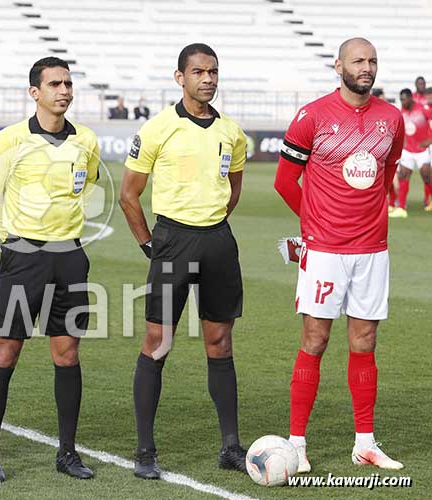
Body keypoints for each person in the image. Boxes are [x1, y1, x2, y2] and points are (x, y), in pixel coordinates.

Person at [274, 37, 405, 473]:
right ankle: (297, 444)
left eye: (372, 60)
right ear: (338, 66)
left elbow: (386, 174)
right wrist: (314, 225)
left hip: (372, 250)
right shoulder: (312, 116)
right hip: (325, 250)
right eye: (358, 60)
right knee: (315, 340)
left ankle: (365, 443)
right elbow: (284, 181)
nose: (367, 67)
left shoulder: (391, 119)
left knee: (365, 342)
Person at [119, 43, 248, 479]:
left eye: (213, 71)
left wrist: (212, 225)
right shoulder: (158, 128)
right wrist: (149, 245)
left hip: (218, 242)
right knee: (158, 343)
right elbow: (129, 195)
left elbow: (234, 188)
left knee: (221, 343)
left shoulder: (232, 131)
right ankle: (144, 450)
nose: (207, 79)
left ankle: (230, 447)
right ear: (180, 77)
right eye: (198, 72)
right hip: (172, 241)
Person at [0, 56, 100, 483]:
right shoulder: (11, 138)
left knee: (67, 353)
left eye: (68, 83)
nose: (64, 91)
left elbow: (89, 185)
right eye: (54, 84)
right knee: (5, 351)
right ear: (34, 92)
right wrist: (13, 239)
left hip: (71, 257)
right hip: (24, 258)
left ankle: (67, 453)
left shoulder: (86, 140)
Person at [390, 88, 432, 217]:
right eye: (401, 100)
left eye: (404, 100)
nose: (402, 102)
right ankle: (401, 208)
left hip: (421, 150)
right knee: (403, 176)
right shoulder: (402, 111)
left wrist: (430, 139)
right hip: (407, 150)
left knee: (427, 177)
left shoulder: (423, 109)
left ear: (410, 98)